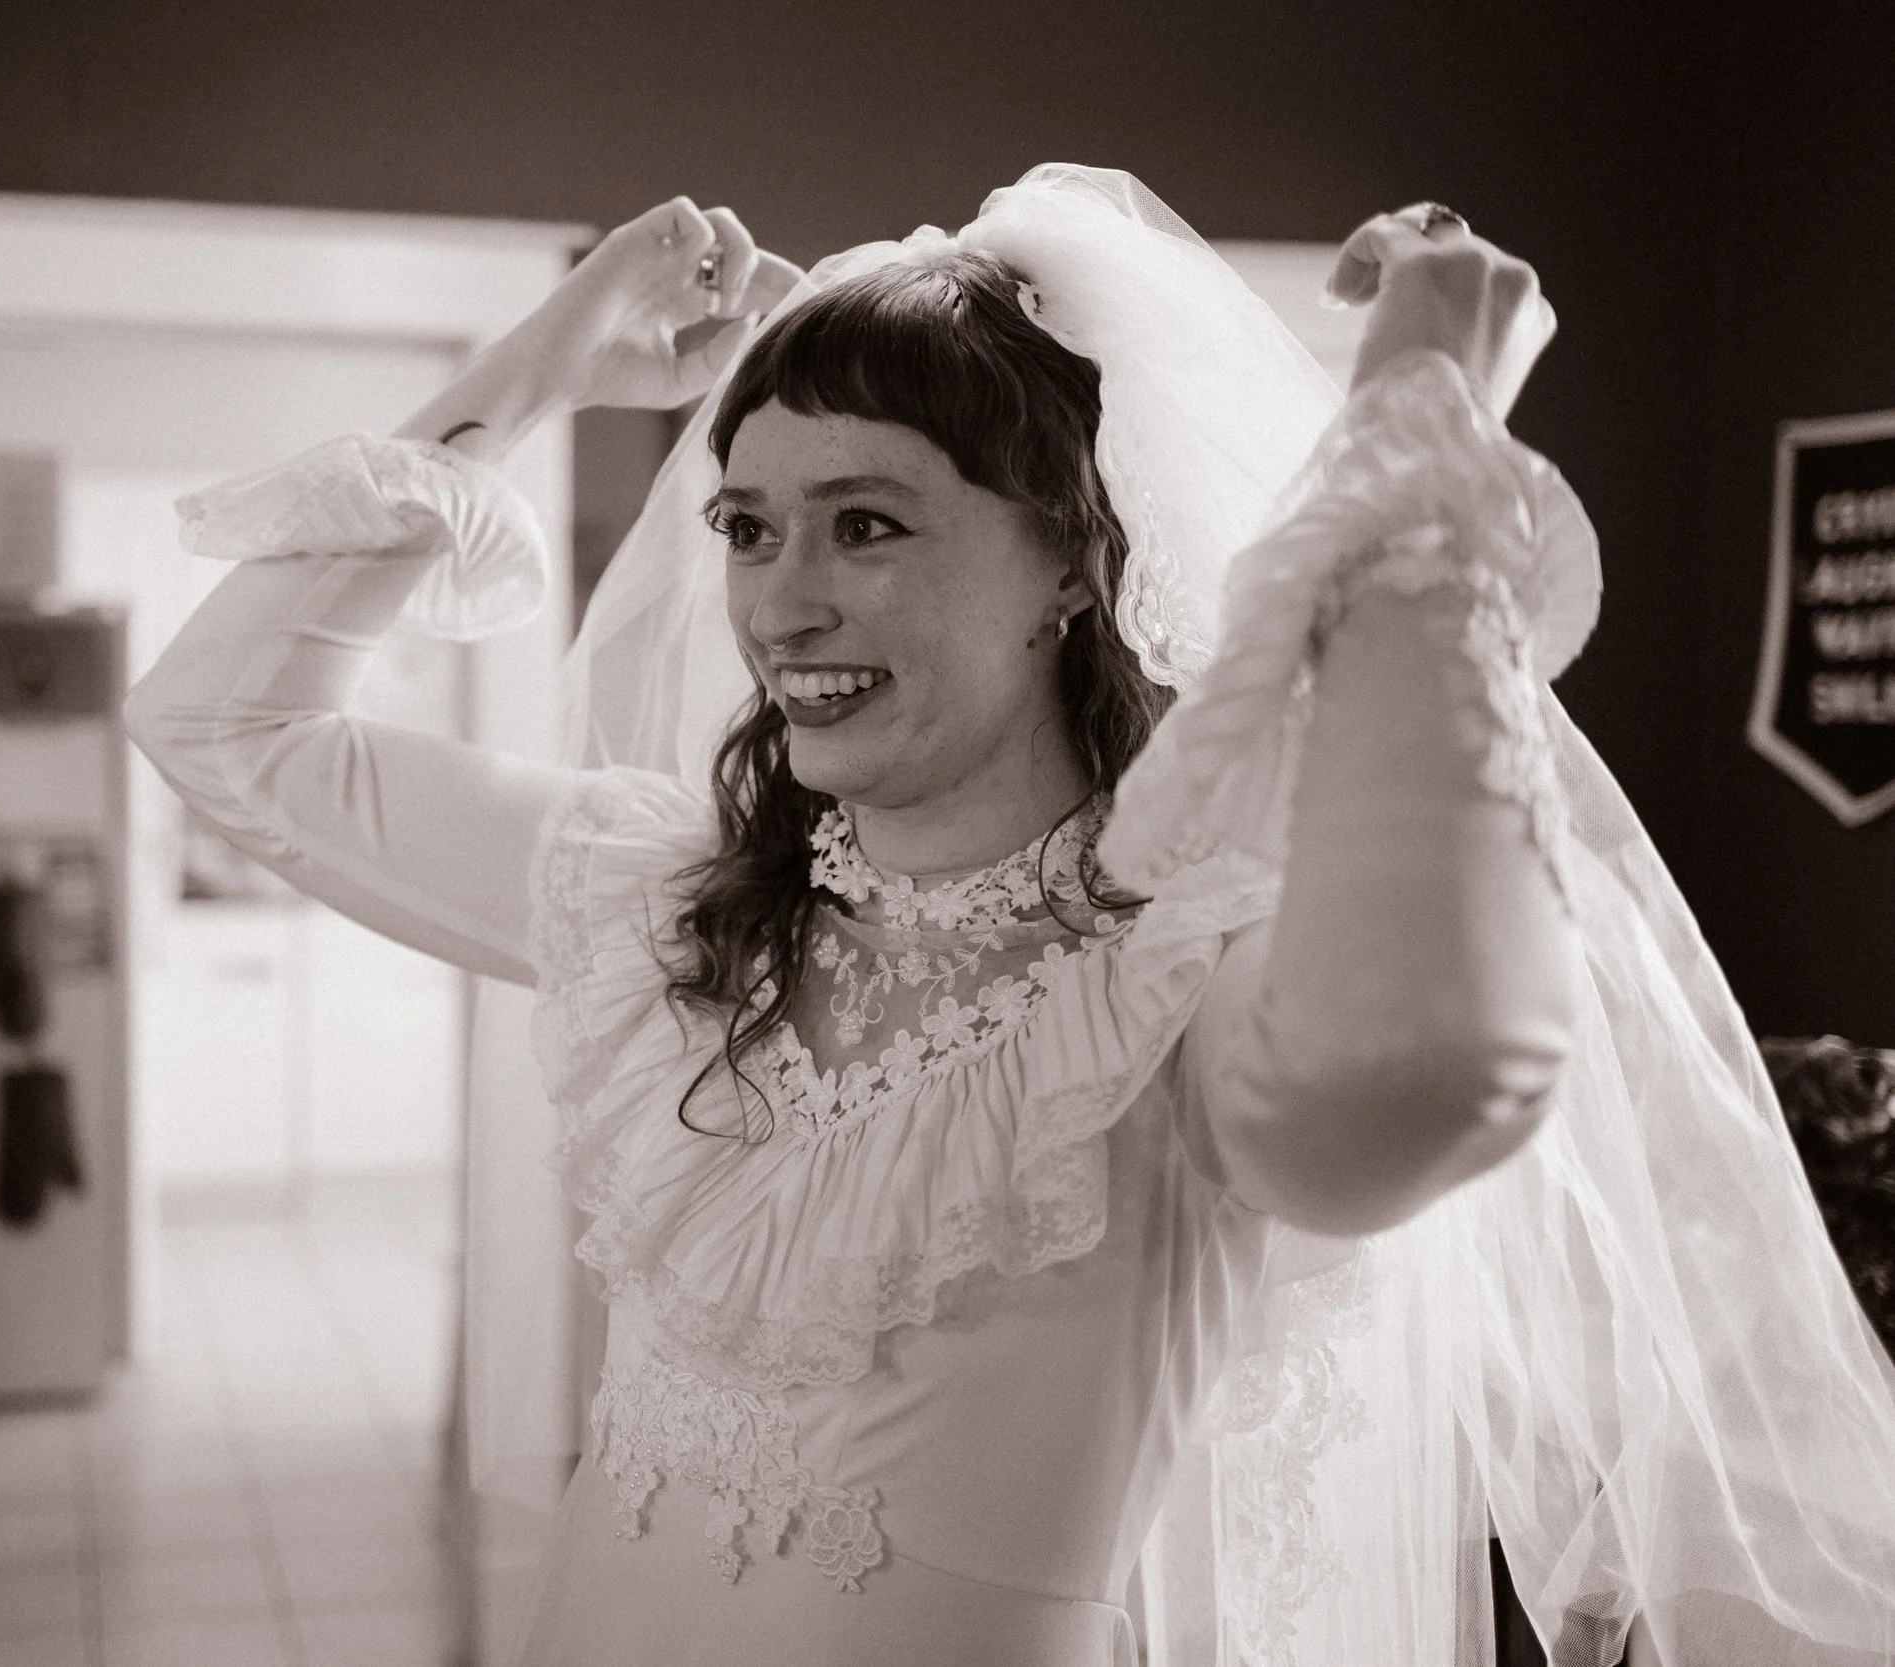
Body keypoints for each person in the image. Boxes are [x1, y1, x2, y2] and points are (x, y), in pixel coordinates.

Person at [126, 167, 1895, 1666]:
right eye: (748, 525)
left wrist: (1418, 447)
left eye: (868, 523)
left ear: (1072, 559)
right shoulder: (652, 904)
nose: (784, 601)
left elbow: (1428, 1065)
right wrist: (544, 364)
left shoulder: (1173, 977)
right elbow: (223, 728)